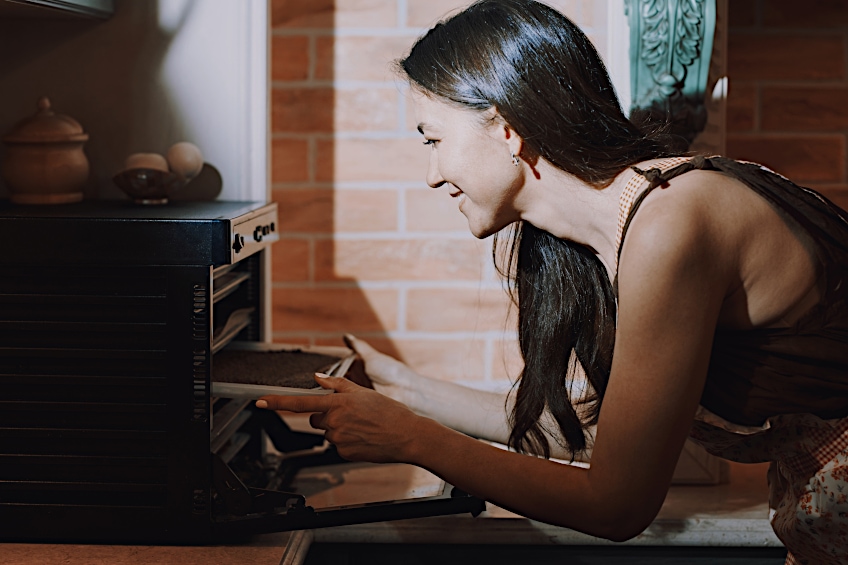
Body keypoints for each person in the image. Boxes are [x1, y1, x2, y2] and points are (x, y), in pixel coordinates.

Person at [255, 1, 848, 562]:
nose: (433, 176)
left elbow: (618, 504)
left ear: (505, 127)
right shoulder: (612, 231)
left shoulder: (673, 223)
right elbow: (581, 431)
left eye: (434, 140)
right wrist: (402, 389)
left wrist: (412, 440)